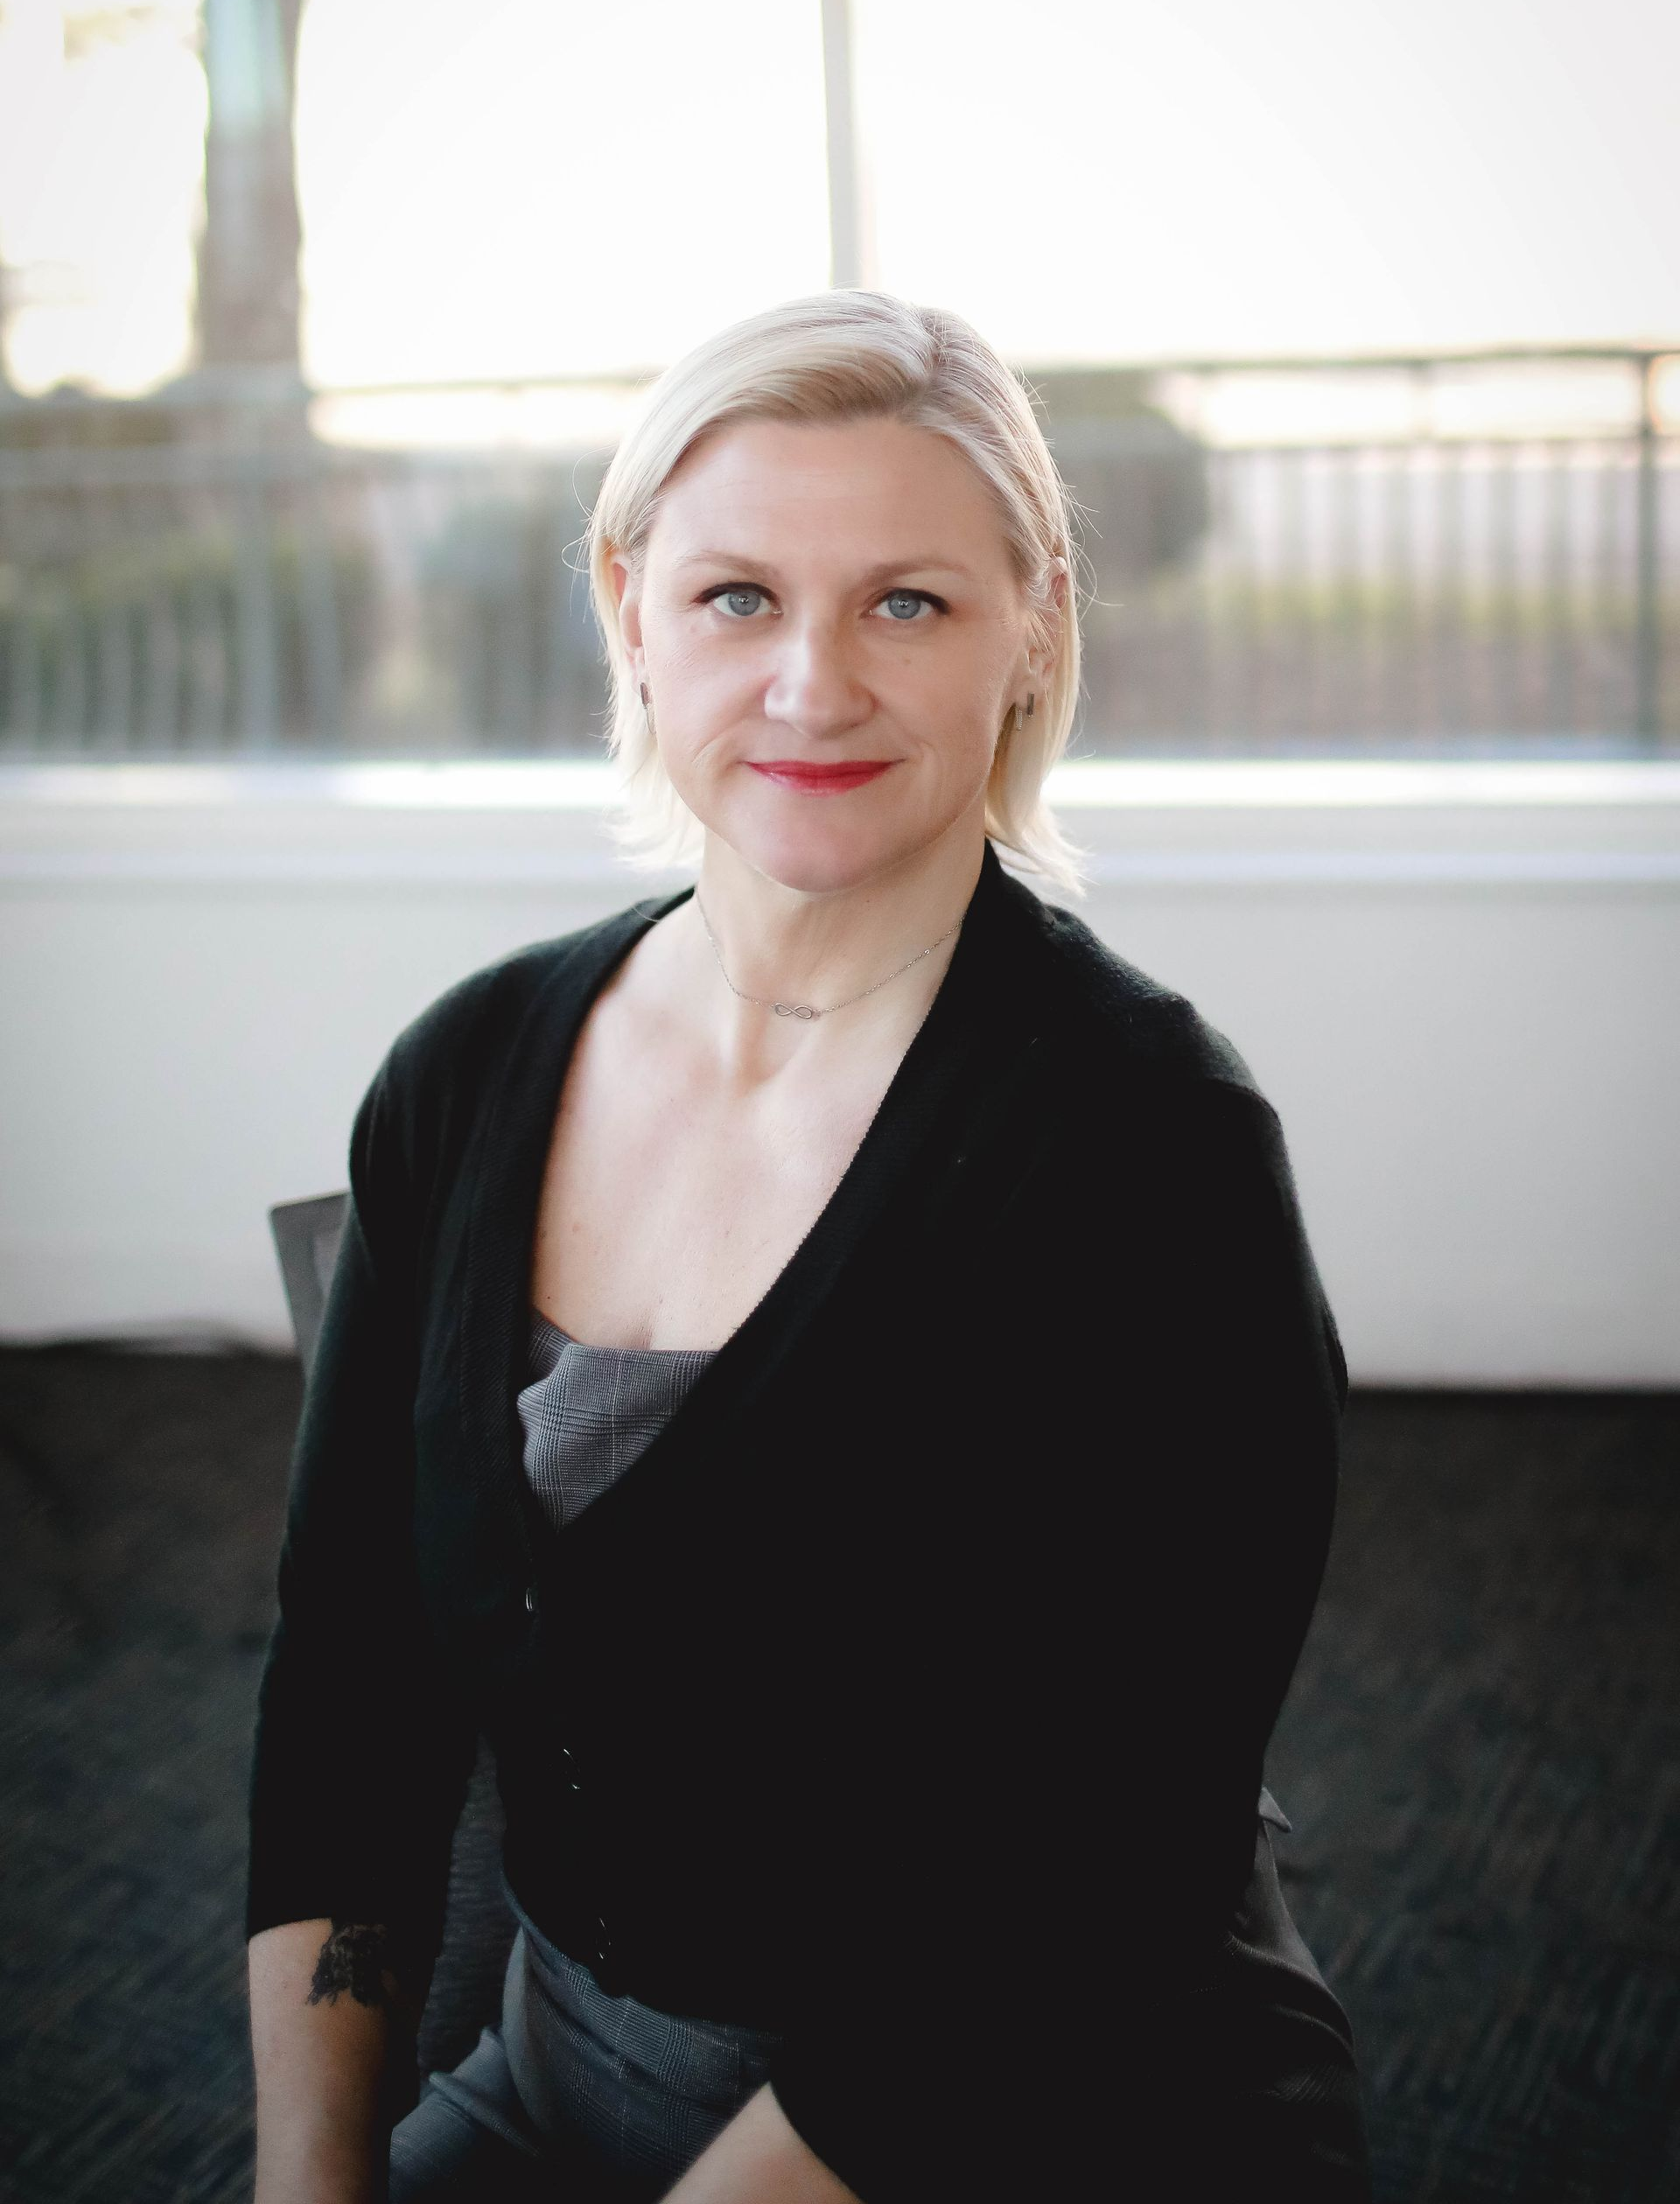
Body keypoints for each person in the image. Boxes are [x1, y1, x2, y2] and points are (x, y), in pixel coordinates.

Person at [245, 289, 1373, 2202]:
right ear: (629, 611)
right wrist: (312, 2178)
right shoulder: (461, 1074)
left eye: (908, 602)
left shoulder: (1153, 1151)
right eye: (738, 597)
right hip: (552, 2067)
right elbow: (353, 1694)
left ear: (1033, 627)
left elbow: (1096, 1873)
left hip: (1037, 2104)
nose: (811, 684)